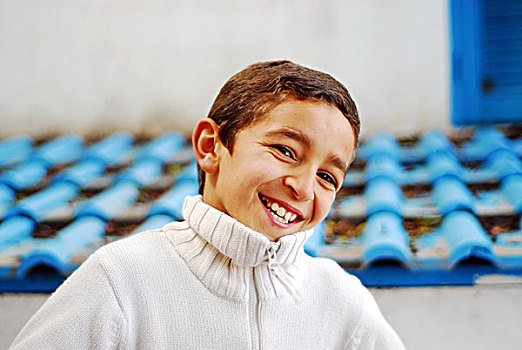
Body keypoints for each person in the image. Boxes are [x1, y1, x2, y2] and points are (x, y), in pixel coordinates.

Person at [11, 60, 405, 349]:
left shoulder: (339, 300)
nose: (303, 188)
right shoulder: (123, 281)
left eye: (328, 177)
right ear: (209, 147)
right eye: (285, 150)